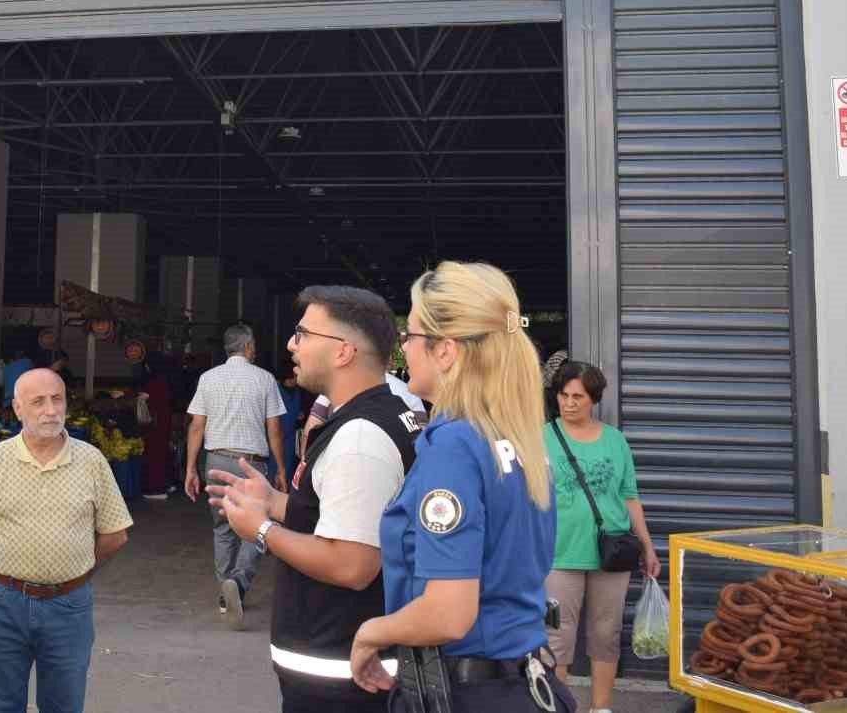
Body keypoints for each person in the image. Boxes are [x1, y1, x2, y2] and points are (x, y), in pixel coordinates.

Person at [348, 261, 577, 713]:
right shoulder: (516, 435)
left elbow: (448, 613)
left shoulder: (453, 444)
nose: (403, 349)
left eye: (409, 336)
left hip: (471, 691)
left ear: (446, 351)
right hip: (523, 679)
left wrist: (371, 632)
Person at [208, 286, 421, 712]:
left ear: (343, 352)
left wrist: (262, 530)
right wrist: (276, 502)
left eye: (303, 334)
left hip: (339, 672)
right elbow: (346, 514)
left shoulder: (361, 436)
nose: (291, 344)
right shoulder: (365, 417)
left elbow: (353, 563)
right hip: (332, 664)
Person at [0, 369, 132, 713]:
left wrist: (79, 569)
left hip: (69, 606)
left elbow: (116, 534)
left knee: (64, 704)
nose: (50, 410)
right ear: (18, 409)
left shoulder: (91, 461)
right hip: (1, 604)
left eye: (57, 399)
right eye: (38, 402)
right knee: (0, 705)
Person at [544, 361, 660, 713]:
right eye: (563, 395)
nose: (569, 403)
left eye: (578, 396)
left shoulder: (615, 441)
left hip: (612, 554)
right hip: (559, 554)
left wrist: (648, 546)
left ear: (593, 398)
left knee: (605, 636)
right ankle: (560, 707)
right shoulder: (541, 437)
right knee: (556, 639)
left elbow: (629, 496)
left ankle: (601, 707)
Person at [184, 324, 288, 628]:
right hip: (252, 466)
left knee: (222, 527)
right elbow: (275, 431)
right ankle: (239, 585)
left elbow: (196, 427)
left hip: (216, 460)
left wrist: (191, 468)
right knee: (257, 527)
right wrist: (281, 469)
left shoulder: (208, 378)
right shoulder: (265, 379)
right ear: (249, 347)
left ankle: (224, 590)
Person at [140, 354, 174, 498]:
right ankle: (167, 484)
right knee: (163, 453)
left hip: (155, 425)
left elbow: (144, 397)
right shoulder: (166, 380)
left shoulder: (154, 382)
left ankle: (157, 489)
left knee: (154, 456)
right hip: (164, 423)